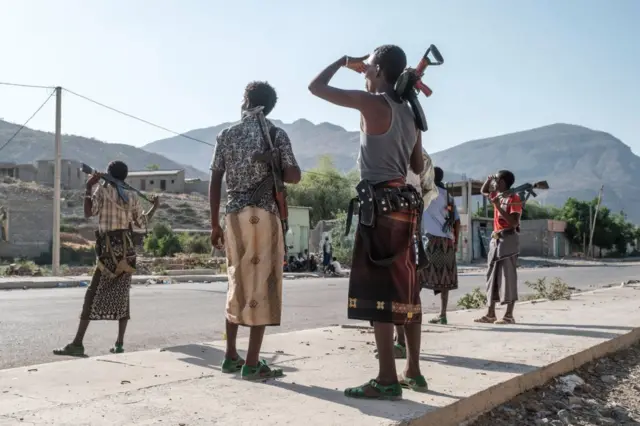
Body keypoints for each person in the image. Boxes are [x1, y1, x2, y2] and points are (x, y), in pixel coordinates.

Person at [309, 44, 426, 399]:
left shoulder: (373, 104)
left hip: (380, 206)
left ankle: (387, 379)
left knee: (379, 295)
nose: (363, 71)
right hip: (406, 203)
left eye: (368, 66)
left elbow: (315, 87)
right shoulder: (411, 113)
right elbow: (418, 167)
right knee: (406, 288)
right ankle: (413, 371)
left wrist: (344, 61)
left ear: (380, 71)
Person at [209, 81, 301, 380]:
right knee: (264, 284)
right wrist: (275, 159)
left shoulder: (226, 134)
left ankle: (230, 356)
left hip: (234, 216)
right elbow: (294, 176)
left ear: (246, 101)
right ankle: (251, 362)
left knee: (236, 280)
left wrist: (214, 223)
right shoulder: (275, 134)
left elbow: (215, 180)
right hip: (265, 215)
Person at [53, 161, 159, 357]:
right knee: (122, 294)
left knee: (92, 295)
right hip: (127, 252)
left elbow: (88, 213)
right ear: (124, 177)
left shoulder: (102, 190)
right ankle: (119, 344)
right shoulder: (131, 195)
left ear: (108, 174)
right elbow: (141, 222)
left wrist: (88, 186)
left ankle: (77, 344)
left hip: (109, 251)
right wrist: (155, 207)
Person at [475, 170, 522, 325]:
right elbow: (483, 191)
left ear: (503, 182)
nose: (495, 183)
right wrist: (489, 180)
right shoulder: (497, 195)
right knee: (492, 276)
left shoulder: (514, 198)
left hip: (508, 238)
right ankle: (490, 313)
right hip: (496, 239)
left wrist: (498, 207)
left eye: (497, 180)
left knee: (508, 276)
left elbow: (514, 223)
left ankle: (509, 315)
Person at [419, 167, 460, 325]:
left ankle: (415, 314)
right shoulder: (449, 196)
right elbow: (456, 221)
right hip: (447, 241)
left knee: (419, 277)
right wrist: (455, 242)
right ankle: (442, 315)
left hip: (430, 240)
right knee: (445, 277)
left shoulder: (427, 193)